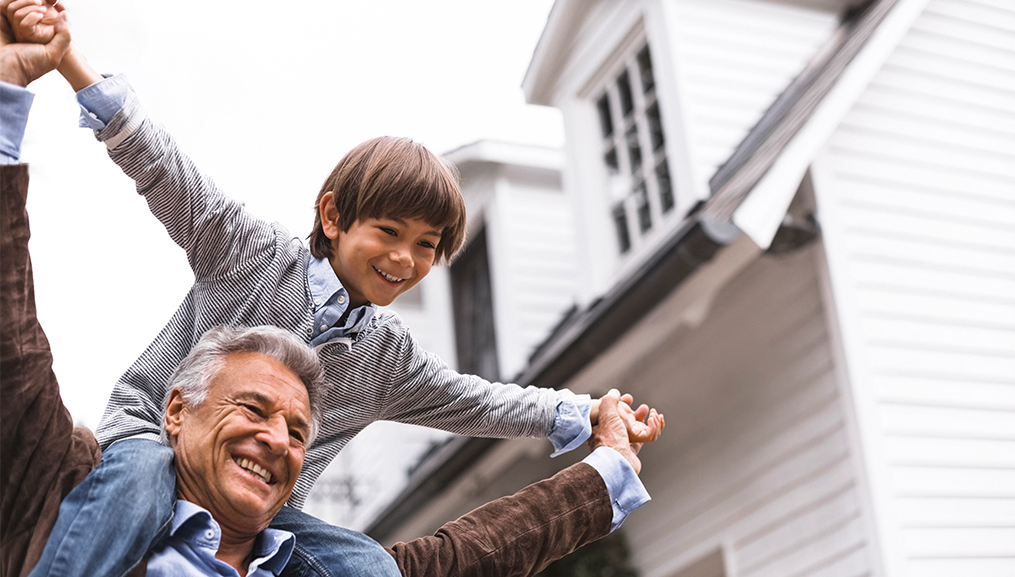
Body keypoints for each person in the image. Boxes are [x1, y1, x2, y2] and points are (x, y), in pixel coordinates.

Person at [1, 2, 665, 576]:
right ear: (332, 216)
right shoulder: (248, 252)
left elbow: (481, 402)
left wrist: (586, 414)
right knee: (137, 489)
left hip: (264, 508)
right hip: (147, 445)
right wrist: (68, 65)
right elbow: (163, 166)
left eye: (428, 246)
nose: (405, 258)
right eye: (389, 231)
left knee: (369, 563)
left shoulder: (388, 361)